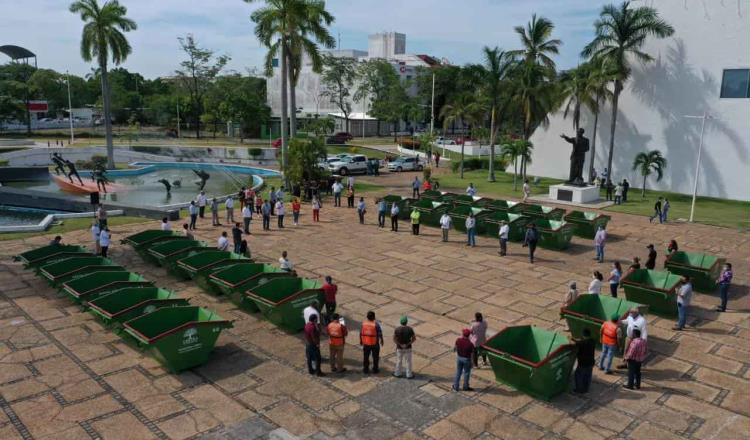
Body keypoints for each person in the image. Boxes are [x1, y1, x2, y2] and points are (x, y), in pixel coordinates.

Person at [573, 328, 596, 393]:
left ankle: (579, 389)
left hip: (582, 363)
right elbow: (580, 341)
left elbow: (577, 343)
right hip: (591, 362)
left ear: (583, 335)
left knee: (578, 375)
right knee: (588, 376)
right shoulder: (592, 341)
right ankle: (586, 389)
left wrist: (572, 339)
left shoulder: (581, 343)